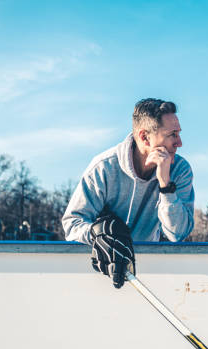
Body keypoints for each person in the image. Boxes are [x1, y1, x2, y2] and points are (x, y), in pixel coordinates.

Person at [62, 98, 195, 288]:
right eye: (172, 135)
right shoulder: (104, 167)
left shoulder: (179, 170)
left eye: (179, 134)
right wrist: (98, 235)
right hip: (99, 275)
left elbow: (177, 233)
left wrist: (166, 186)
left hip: (147, 274)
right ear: (144, 137)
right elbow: (72, 224)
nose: (179, 143)